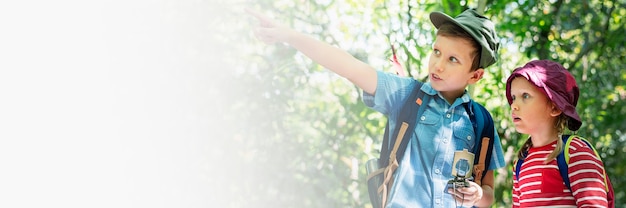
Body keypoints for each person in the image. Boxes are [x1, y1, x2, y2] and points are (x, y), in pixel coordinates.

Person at [248, 8, 505, 207]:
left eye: (452, 59)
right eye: (436, 52)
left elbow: (489, 193)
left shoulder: (481, 122)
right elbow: (349, 66)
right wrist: (290, 36)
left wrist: (479, 195)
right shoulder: (408, 95)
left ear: (475, 76)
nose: (438, 65)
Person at [506, 60, 609, 207]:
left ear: (554, 107)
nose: (514, 105)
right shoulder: (521, 162)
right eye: (514, 97)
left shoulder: (575, 152)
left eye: (525, 96)